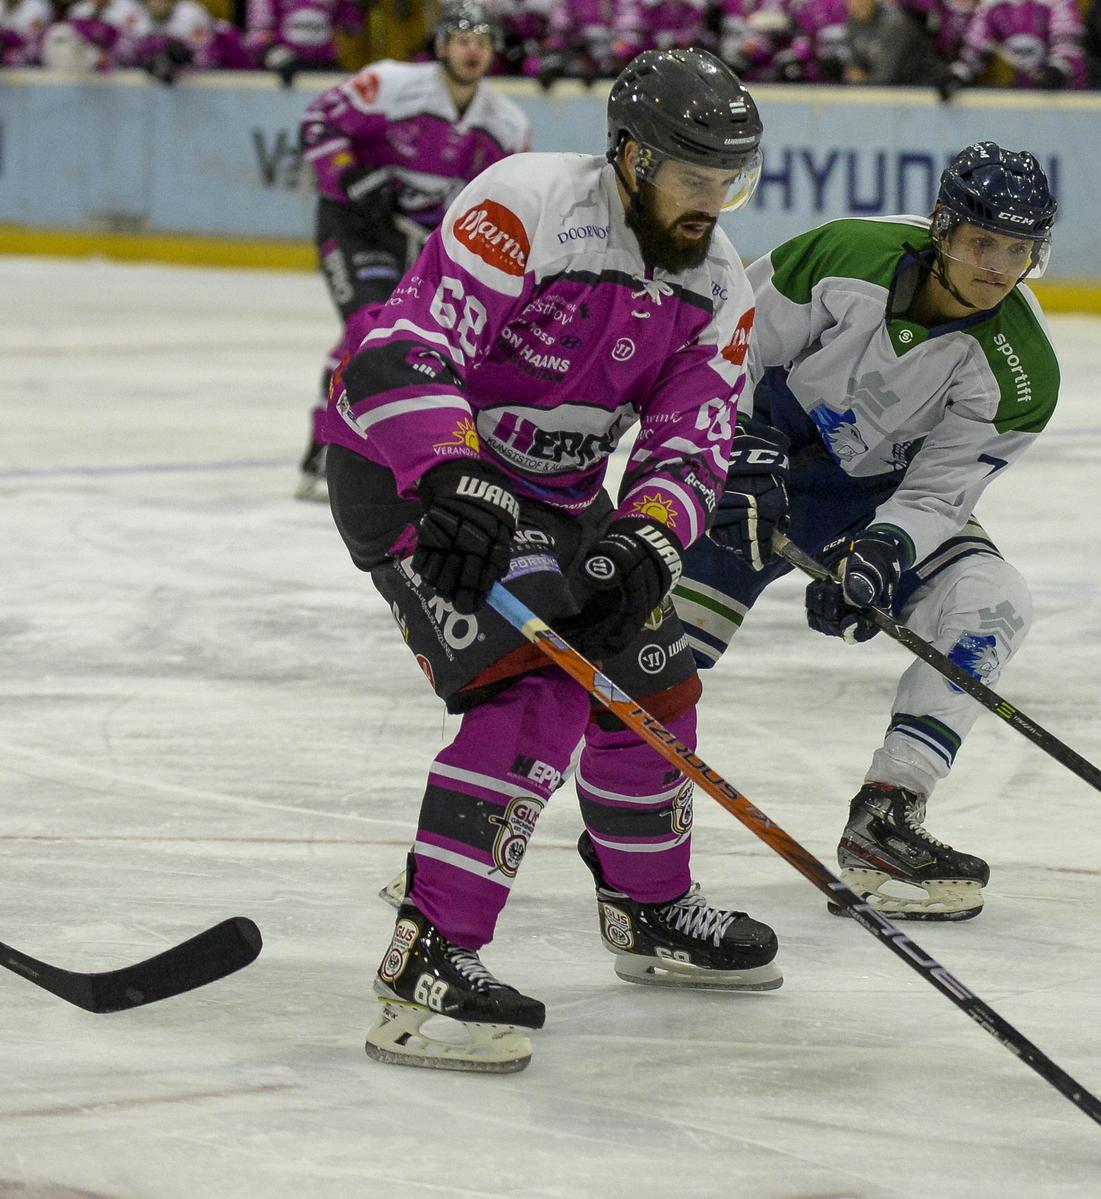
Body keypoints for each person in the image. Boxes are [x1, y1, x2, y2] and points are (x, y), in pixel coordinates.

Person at [323, 47, 776, 1073]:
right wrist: (449, 468)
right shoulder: (528, 202)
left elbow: (690, 440)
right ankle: (426, 961)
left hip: (560, 498)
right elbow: (396, 349)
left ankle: (650, 910)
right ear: (628, 155)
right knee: (537, 691)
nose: (711, 201)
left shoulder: (715, 286)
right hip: (410, 473)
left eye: (728, 180)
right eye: (691, 175)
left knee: (653, 682)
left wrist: (648, 540)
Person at [671, 142, 1061, 922]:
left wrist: (883, 550)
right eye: (984, 241)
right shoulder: (846, 253)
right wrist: (739, 457)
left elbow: (941, 489)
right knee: (641, 655)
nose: (996, 266)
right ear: (944, 228)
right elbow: (726, 347)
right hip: (754, 465)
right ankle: (498, 808)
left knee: (992, 603)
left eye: (1018, 250)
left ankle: (888, 812)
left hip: (871, 497)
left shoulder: (1023, 371)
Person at [294, 0, 531, 501]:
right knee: (366, 325)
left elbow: (511, 200)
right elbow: (318, 122)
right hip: (356, 224)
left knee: (397, 337)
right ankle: (326, 443)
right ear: (441, 45)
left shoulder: (508, 124)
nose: (473, 49)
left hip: (418, 241)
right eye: (463, 38)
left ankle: (371, 440)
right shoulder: (390, 83)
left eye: (483, 41)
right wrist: (347, 174)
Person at [938, 0, 1084, 97]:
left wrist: (1058, 68)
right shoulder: (992, 6)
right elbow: (975, 46)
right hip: (1025, 94)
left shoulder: (1055, 3)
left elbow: (1067, 40)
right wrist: (958, 74)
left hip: (1069, 94)